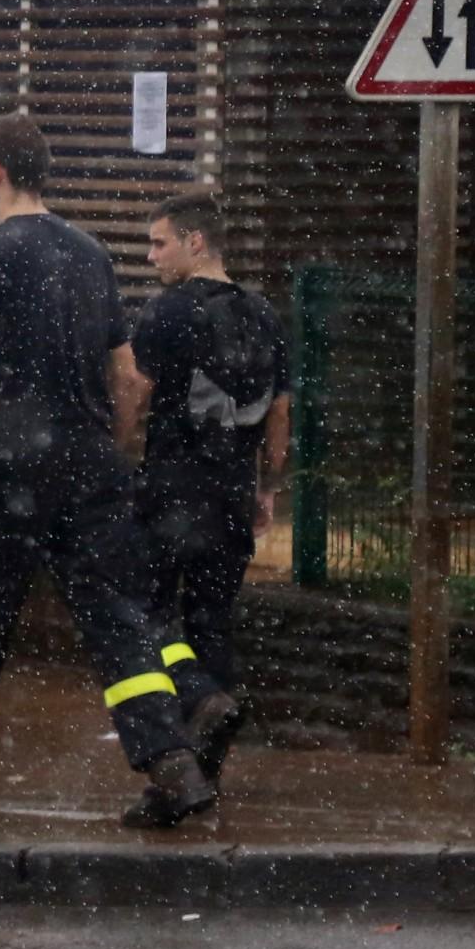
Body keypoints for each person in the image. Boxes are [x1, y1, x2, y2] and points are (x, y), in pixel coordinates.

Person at [0, 112, 215, 830]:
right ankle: (170, 762)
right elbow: (127, 378)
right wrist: (105, 447)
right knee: (116, 620)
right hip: (89, 466)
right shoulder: (90, 253)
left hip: (6, 469)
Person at [134, 188, 289, 781]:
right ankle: (209, 765)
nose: (152, 257)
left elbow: (136, 394)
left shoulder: (167, 312)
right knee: (212, 619)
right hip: (231, 493)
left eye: (159, 242)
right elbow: (279, 413)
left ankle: (199, 699)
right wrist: (267, 488)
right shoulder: (264, 314)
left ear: (194, 242)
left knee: (146, 616)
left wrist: (120, 463)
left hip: (173, 488)